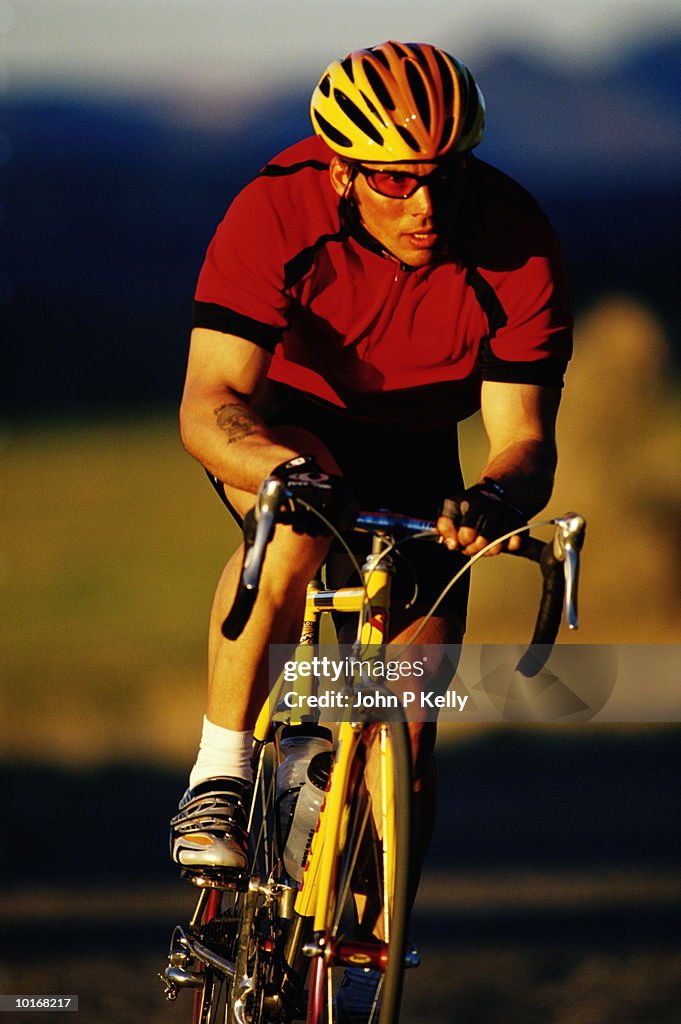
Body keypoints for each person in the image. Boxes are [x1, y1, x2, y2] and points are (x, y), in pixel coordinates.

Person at [170, 40, 572, 1019]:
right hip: (290, 433)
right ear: (343, 168)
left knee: (407, 722)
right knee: (298, 537)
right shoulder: (277, 208)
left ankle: (364, 936)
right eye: (395, 180)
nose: (425, 204)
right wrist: (283, 471)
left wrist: (493, 501)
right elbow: (207, 399)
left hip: (420, 457)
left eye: (443, 175)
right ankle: (220, 776)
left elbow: (524, 442)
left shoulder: (515, 239)